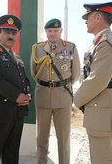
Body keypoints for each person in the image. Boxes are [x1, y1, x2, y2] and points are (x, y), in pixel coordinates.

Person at [73, 2, 112, 164]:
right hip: (99, 108)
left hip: (102, 109)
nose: (86, 22)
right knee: (99, 156)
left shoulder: (106, 43)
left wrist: (75, 100)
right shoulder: (100, 41)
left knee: (102, 159)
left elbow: (96, 80)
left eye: (87, 17)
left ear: (98, 17)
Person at [0, 14, 31, 164]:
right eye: (7, 32)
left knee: (12, 154)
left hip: (17, 113)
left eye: (13, 33)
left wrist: (27, 95)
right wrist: (17, 96)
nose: (11, 36)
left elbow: (25, 80)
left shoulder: (17, 57)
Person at [30, 18, 80, 164]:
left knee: (63, 139)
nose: (53, 34)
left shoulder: (70, 47)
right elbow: (34, 73)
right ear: (45, 32)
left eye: (55, 31)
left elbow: (75, 73)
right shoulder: (37, 48)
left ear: (61, 31)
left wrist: (62, 85)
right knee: (41, 138)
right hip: (43, 97)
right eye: (50, 31)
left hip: (62, 97)